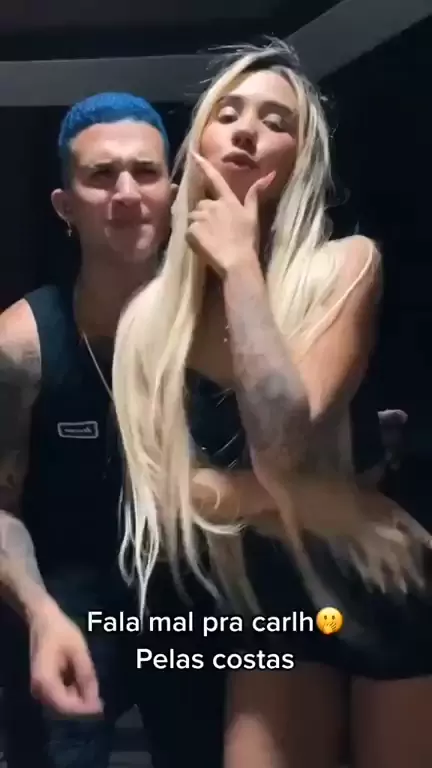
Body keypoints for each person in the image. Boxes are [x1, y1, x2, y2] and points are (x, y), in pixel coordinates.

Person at [112, 42, 432, 768]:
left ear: (301, 158)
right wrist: (340, 497)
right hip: (268, 597)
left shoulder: (346, 265)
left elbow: (283, 443)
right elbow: (165, 495)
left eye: (276, 121)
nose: (247, 131)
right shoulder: (148, 321)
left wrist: (241, 267)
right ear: (199, 142)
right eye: (228, 114)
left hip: (378, 582)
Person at [0, 93, 225, 768]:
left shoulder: (221, 329)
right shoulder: (21, 345)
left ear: (173, 194)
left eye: (145, 172)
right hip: (65, 597)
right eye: (100, 176)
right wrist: (39, 613)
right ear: (65, 207)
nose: (126, 193)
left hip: (192, 598)